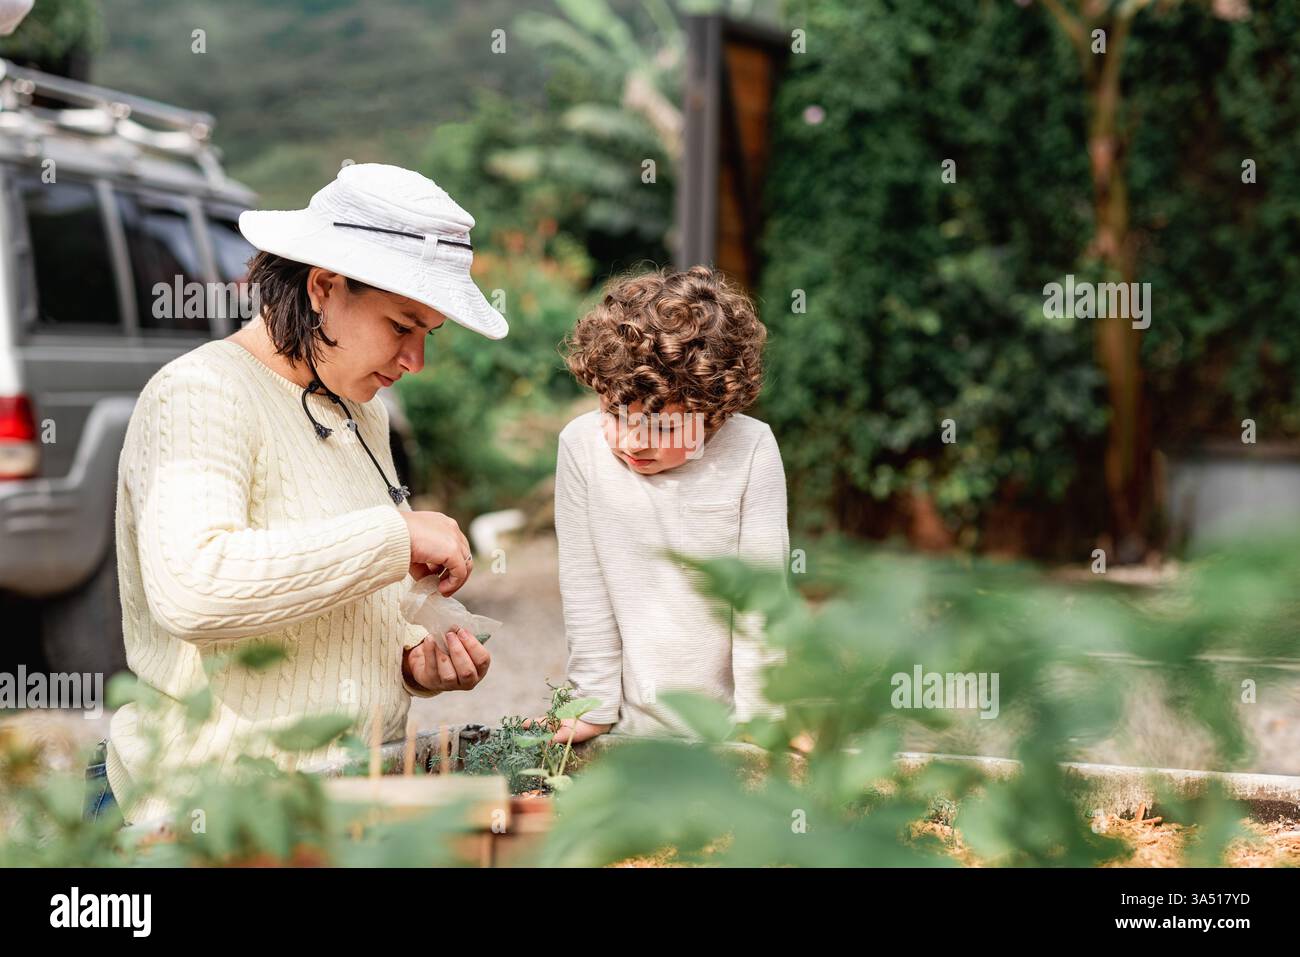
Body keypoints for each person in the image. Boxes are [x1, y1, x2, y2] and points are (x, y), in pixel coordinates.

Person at [92, 164, 505, 825]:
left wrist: (410, 659)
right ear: (322, 286)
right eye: (402, 325)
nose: (414, 361)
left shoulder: (359, 408)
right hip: (205, 818)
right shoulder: (200, 394)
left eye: (429, 333)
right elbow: (194, 588)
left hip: (334, 808)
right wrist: (395, 538)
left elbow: (335, 586)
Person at [548, 265, 789, 743]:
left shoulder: (752, 448)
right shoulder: (580, 447)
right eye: (616, 415)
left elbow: (761, 599)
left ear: (715, 414)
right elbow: (585, 587)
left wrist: (764, 716)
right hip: (628, 731)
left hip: (728, 730)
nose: (633, 442)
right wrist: (592, 704)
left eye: (664, 427)